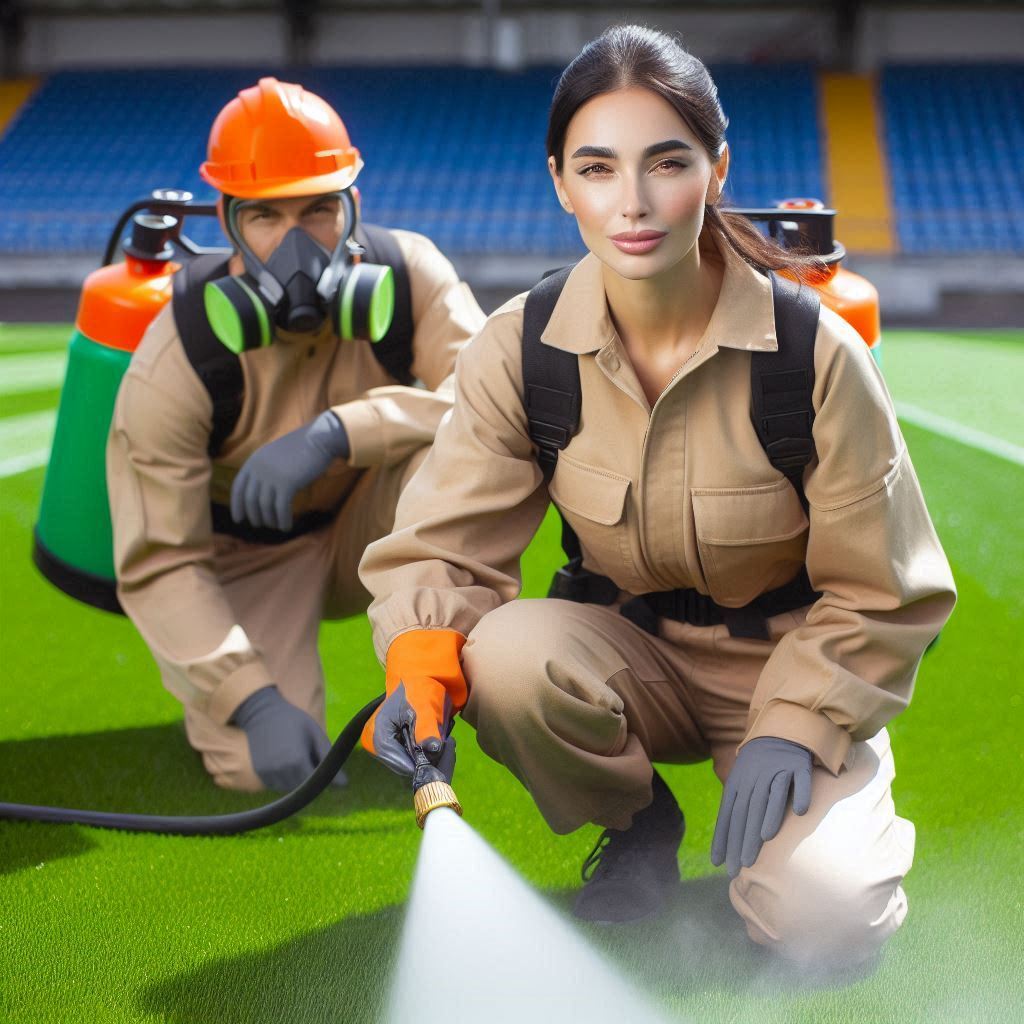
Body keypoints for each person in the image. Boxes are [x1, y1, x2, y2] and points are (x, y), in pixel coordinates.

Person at [356, 26, 956, 967]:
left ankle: (799, 841)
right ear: (561, 181)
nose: (632, 203)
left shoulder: (813, 355)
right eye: (598, 168)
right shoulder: (523, 347)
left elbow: (888, 590)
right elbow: (445, 545)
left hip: (790, 663)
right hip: (626, 654)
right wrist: (421, 665)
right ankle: (636, 827)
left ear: (716, 169)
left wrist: (798, 724)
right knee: (505, 655)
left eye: (666, 163)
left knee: (831, 928)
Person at [106, 77, 485, 794]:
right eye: (264, 216)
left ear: (352, 209)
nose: (294, 242)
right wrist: (248, 698)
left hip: (375, 528)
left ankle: (431, 672)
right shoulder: (179, 353)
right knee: (260, 768)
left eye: (316, 210)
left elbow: (487, 406)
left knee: (455, 450)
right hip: (249, 556)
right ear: (227, 222)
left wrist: (340, 432)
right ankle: (259, 703)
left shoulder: (412, 278)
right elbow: (162, 561)